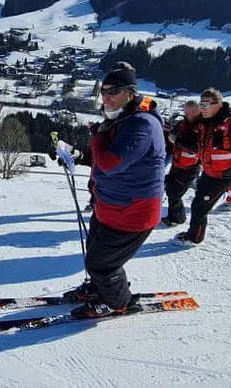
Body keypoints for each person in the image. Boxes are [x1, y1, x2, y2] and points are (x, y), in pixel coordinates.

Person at [64, 62, 166, 319]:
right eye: (104, 91)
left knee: (102, 264)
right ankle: (99, 290)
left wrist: (97, 135)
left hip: (133, 211)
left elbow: (110, 162)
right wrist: (78, 155)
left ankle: (118, 302)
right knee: (96, 255)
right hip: (109, 205)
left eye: (113, 91)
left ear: (130, 93)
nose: (106, 97)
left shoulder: (141, 124)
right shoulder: (122, 119)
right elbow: (104, 159)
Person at [174, 88, 231, 246]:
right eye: (201, 104)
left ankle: (194, 238)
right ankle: (193, 234)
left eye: (206, 105)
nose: (202, 108)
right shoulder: (206, 123)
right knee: (198, 202)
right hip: (209, 171)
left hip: (223, 175)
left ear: (218, 104)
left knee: (200, 206)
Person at [161, 100, 201, 225]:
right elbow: (173, 137)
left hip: (190, 167)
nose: (189, 114)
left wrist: (176, 140)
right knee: (171, 188)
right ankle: (173, 216)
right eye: (187, 111)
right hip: (177, 163)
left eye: (192, 111)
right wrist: (168, 131)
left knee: (175, 192)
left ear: (198, 111)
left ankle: (178, 218)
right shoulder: (182, 123)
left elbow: (196, 147)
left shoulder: (202, 126)